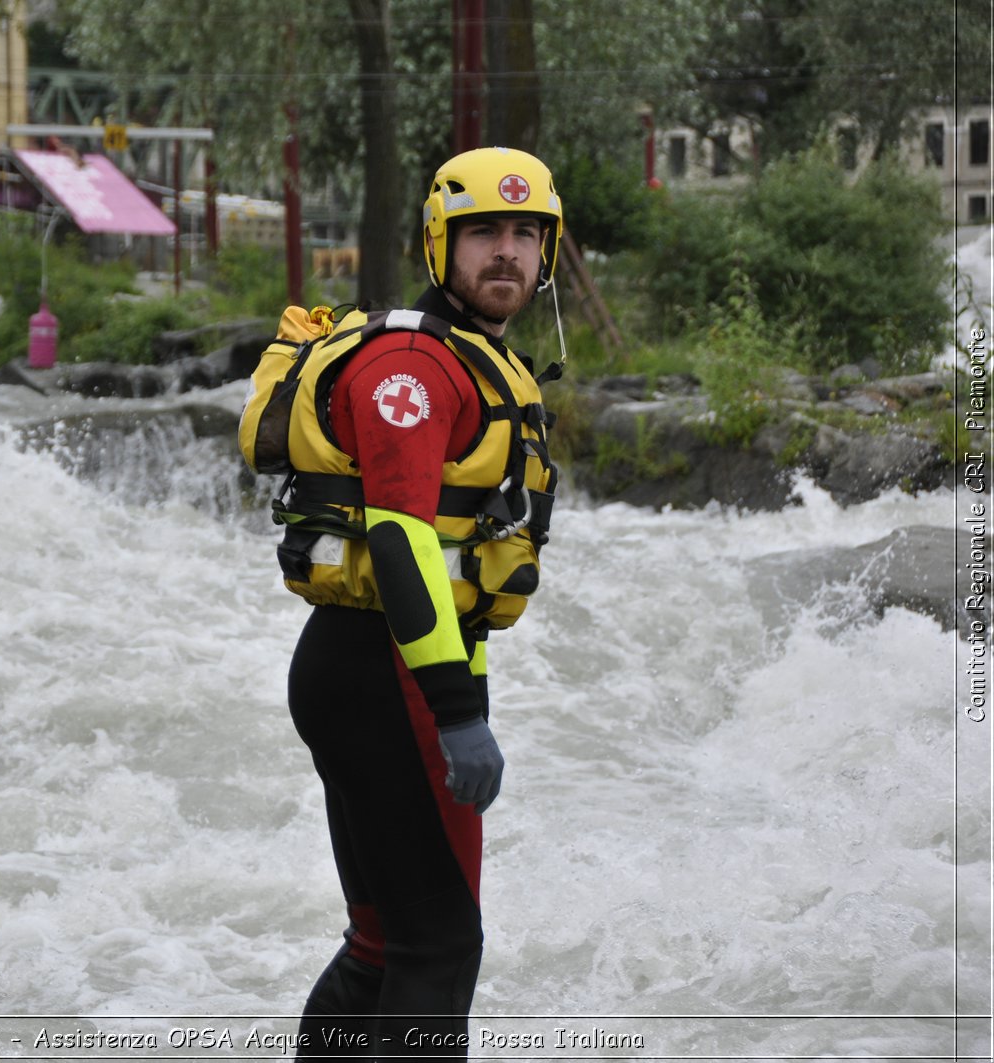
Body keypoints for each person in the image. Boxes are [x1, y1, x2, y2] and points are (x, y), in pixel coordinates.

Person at [269, 146, 562, 1058]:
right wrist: (458, 711)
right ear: (442, 243)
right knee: (439, 944)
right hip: (389, 674)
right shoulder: (413, 365)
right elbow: (398, 538)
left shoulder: (474, 358)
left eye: (525, 234)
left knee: (382, 941)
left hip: (383, 669)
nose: (506, 253)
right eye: (484, 234)